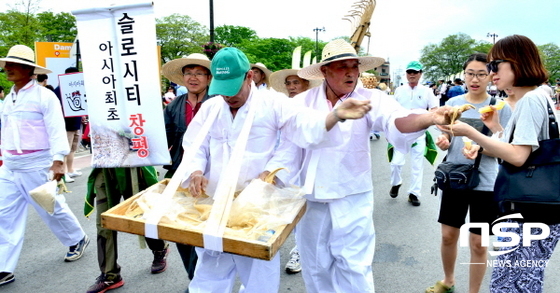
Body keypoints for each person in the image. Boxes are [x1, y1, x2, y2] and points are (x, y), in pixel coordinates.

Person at [183, 46, 373, 293]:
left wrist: (273, 172)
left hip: (257, 204)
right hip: (214, 201)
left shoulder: (272, 103)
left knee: (258, 275)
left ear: (249, 76)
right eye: (223, 90)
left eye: (234, 89)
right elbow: (195, 144)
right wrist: (196, 171)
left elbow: (297, 134)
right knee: (210, 268)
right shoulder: (212, 107)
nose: (229, 97)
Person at [293, 39, 458, 293]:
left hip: (353, 195)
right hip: (311, 197)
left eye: (354, 66)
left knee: (354, 267)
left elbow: (398, 120)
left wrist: (429, 118)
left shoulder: (371, 98)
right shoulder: (302, 102)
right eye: (341, 67)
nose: (350, 72)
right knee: (315, 266)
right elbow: (297, 139)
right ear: (324, 71)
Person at [439, 34, 557, 293]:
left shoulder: (529, 100)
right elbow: (521, 149)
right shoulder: (539, 97)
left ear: (517, 63)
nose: (490, 73)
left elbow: (517, 156)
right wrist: (495, 128)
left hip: (529, 209)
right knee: (521, 281)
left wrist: (473, 133)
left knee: (512, 284)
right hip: (535, 207)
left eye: (495, 65)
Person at [0, 45, 89, 287]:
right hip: (10, 165)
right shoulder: (10, 97)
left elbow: (56, 129)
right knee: (3, 215)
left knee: (50, 208)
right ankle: (3, 266)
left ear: (28, 69)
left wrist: (58, 161)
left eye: (13, 64)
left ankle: (77, 238)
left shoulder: (44, 96)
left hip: (36, 163)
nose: (7, 68)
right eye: (6, 63)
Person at [427, 53, 512, 293]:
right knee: (448, 235)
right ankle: (448, 280)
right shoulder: (454, 104)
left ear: (490, 77)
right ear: (463, 75)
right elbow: (448, 135)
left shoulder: (498, 108)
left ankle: (473, 291)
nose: (475, 79)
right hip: (454, 177)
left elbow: (507, 149)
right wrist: (444, 139)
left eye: (481, 74)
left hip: (485, 182)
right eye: (470, 74)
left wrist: (481, 148)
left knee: (478, 242)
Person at [160, 53, 214, 283]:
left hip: (211, 176)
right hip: (180, 173)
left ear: (209, 77)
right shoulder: (174, 106)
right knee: (179, 229)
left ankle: (207, 281)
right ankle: (195, 279)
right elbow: (165, 137)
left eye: (199, 73)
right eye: (188, 73)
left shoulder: (219, 102)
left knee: (207, 231)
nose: (193, 78)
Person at [85, 167, 168, 293]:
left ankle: (159, 249)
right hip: (105, 167)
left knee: (142, 213)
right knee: (105, 222)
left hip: (133, 166)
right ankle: (110, 275)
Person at [389, 61, 438, 206]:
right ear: (406, 74)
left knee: (417, 165)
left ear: (420, 74)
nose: (412, 75)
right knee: (396, 163)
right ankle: (396, 182)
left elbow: (434, 108)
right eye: (409, 72)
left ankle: (414, 193)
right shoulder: (399, 90)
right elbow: (391, 109)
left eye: (415, 72)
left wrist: (429, 119)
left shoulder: (427, 91)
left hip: (419, 133)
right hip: (400, 133)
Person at [54, 66, 84, 183]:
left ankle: (70, 170)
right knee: (65, 150)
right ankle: (64, 173)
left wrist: (82, 116)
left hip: (76, 123)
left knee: (72, 149)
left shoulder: (77, 88)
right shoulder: (59, 90)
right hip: (65, 125)